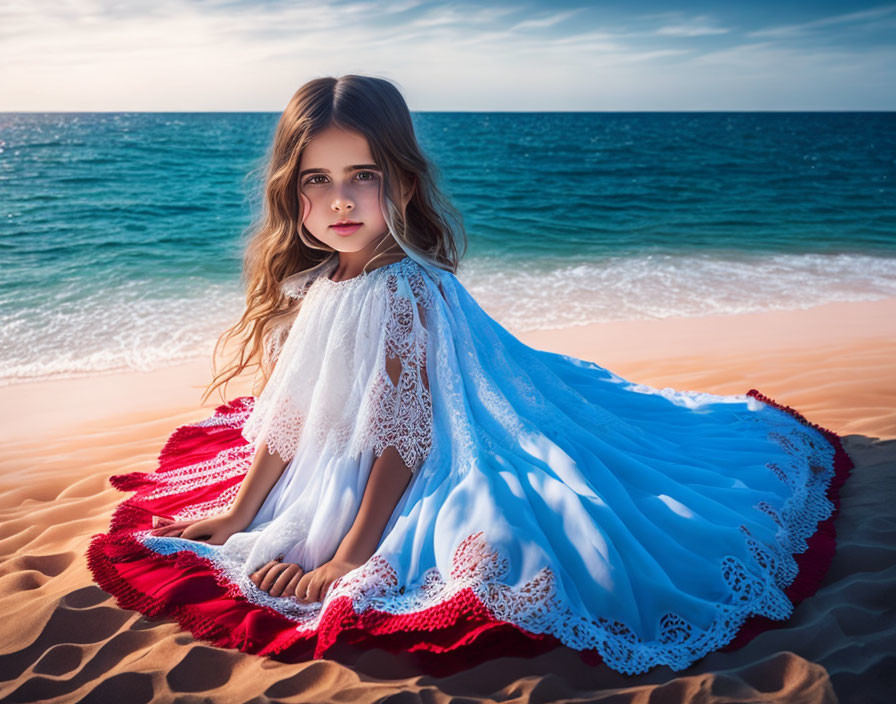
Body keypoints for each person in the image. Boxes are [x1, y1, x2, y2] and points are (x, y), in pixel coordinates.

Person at [87, 75, 853, 676]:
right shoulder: (329, 283)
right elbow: (295, 410)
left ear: (405, 181)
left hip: (445, 441)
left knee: (551, 522)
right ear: (292, 191)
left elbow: (408, 436)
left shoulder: (403, 290)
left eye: (364, 174)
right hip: (380, 434)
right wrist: (237, 513)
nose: (341, 199)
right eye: (316, 179)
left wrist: (354, 552)